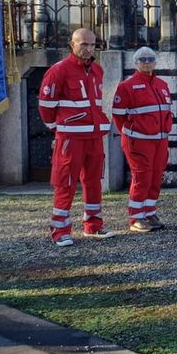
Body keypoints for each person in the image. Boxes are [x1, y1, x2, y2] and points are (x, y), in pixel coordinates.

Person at [38, 28, 113, 246]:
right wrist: (59, 129)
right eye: (83, 44)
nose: (89, 49)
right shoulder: (58, 70)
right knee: (65, 182)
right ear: (72, 45)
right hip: (70, 138)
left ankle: (93, 226)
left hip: (94, 136)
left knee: (94, 181)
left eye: (92, 44)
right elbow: (46, 107)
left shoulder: (97, 70)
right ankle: (60, 230)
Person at [111, 47, 173, 232]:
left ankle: (149, 212)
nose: (147, 63)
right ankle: (136, 217)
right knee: (142, 177)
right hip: (138, 141)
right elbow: (118, 116)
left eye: (150, 59)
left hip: (160, 140)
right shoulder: (126, 86)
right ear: (136, 63)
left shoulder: (162, 84)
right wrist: (130, 133)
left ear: (155, 62)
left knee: (156, 176)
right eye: (142, 60)